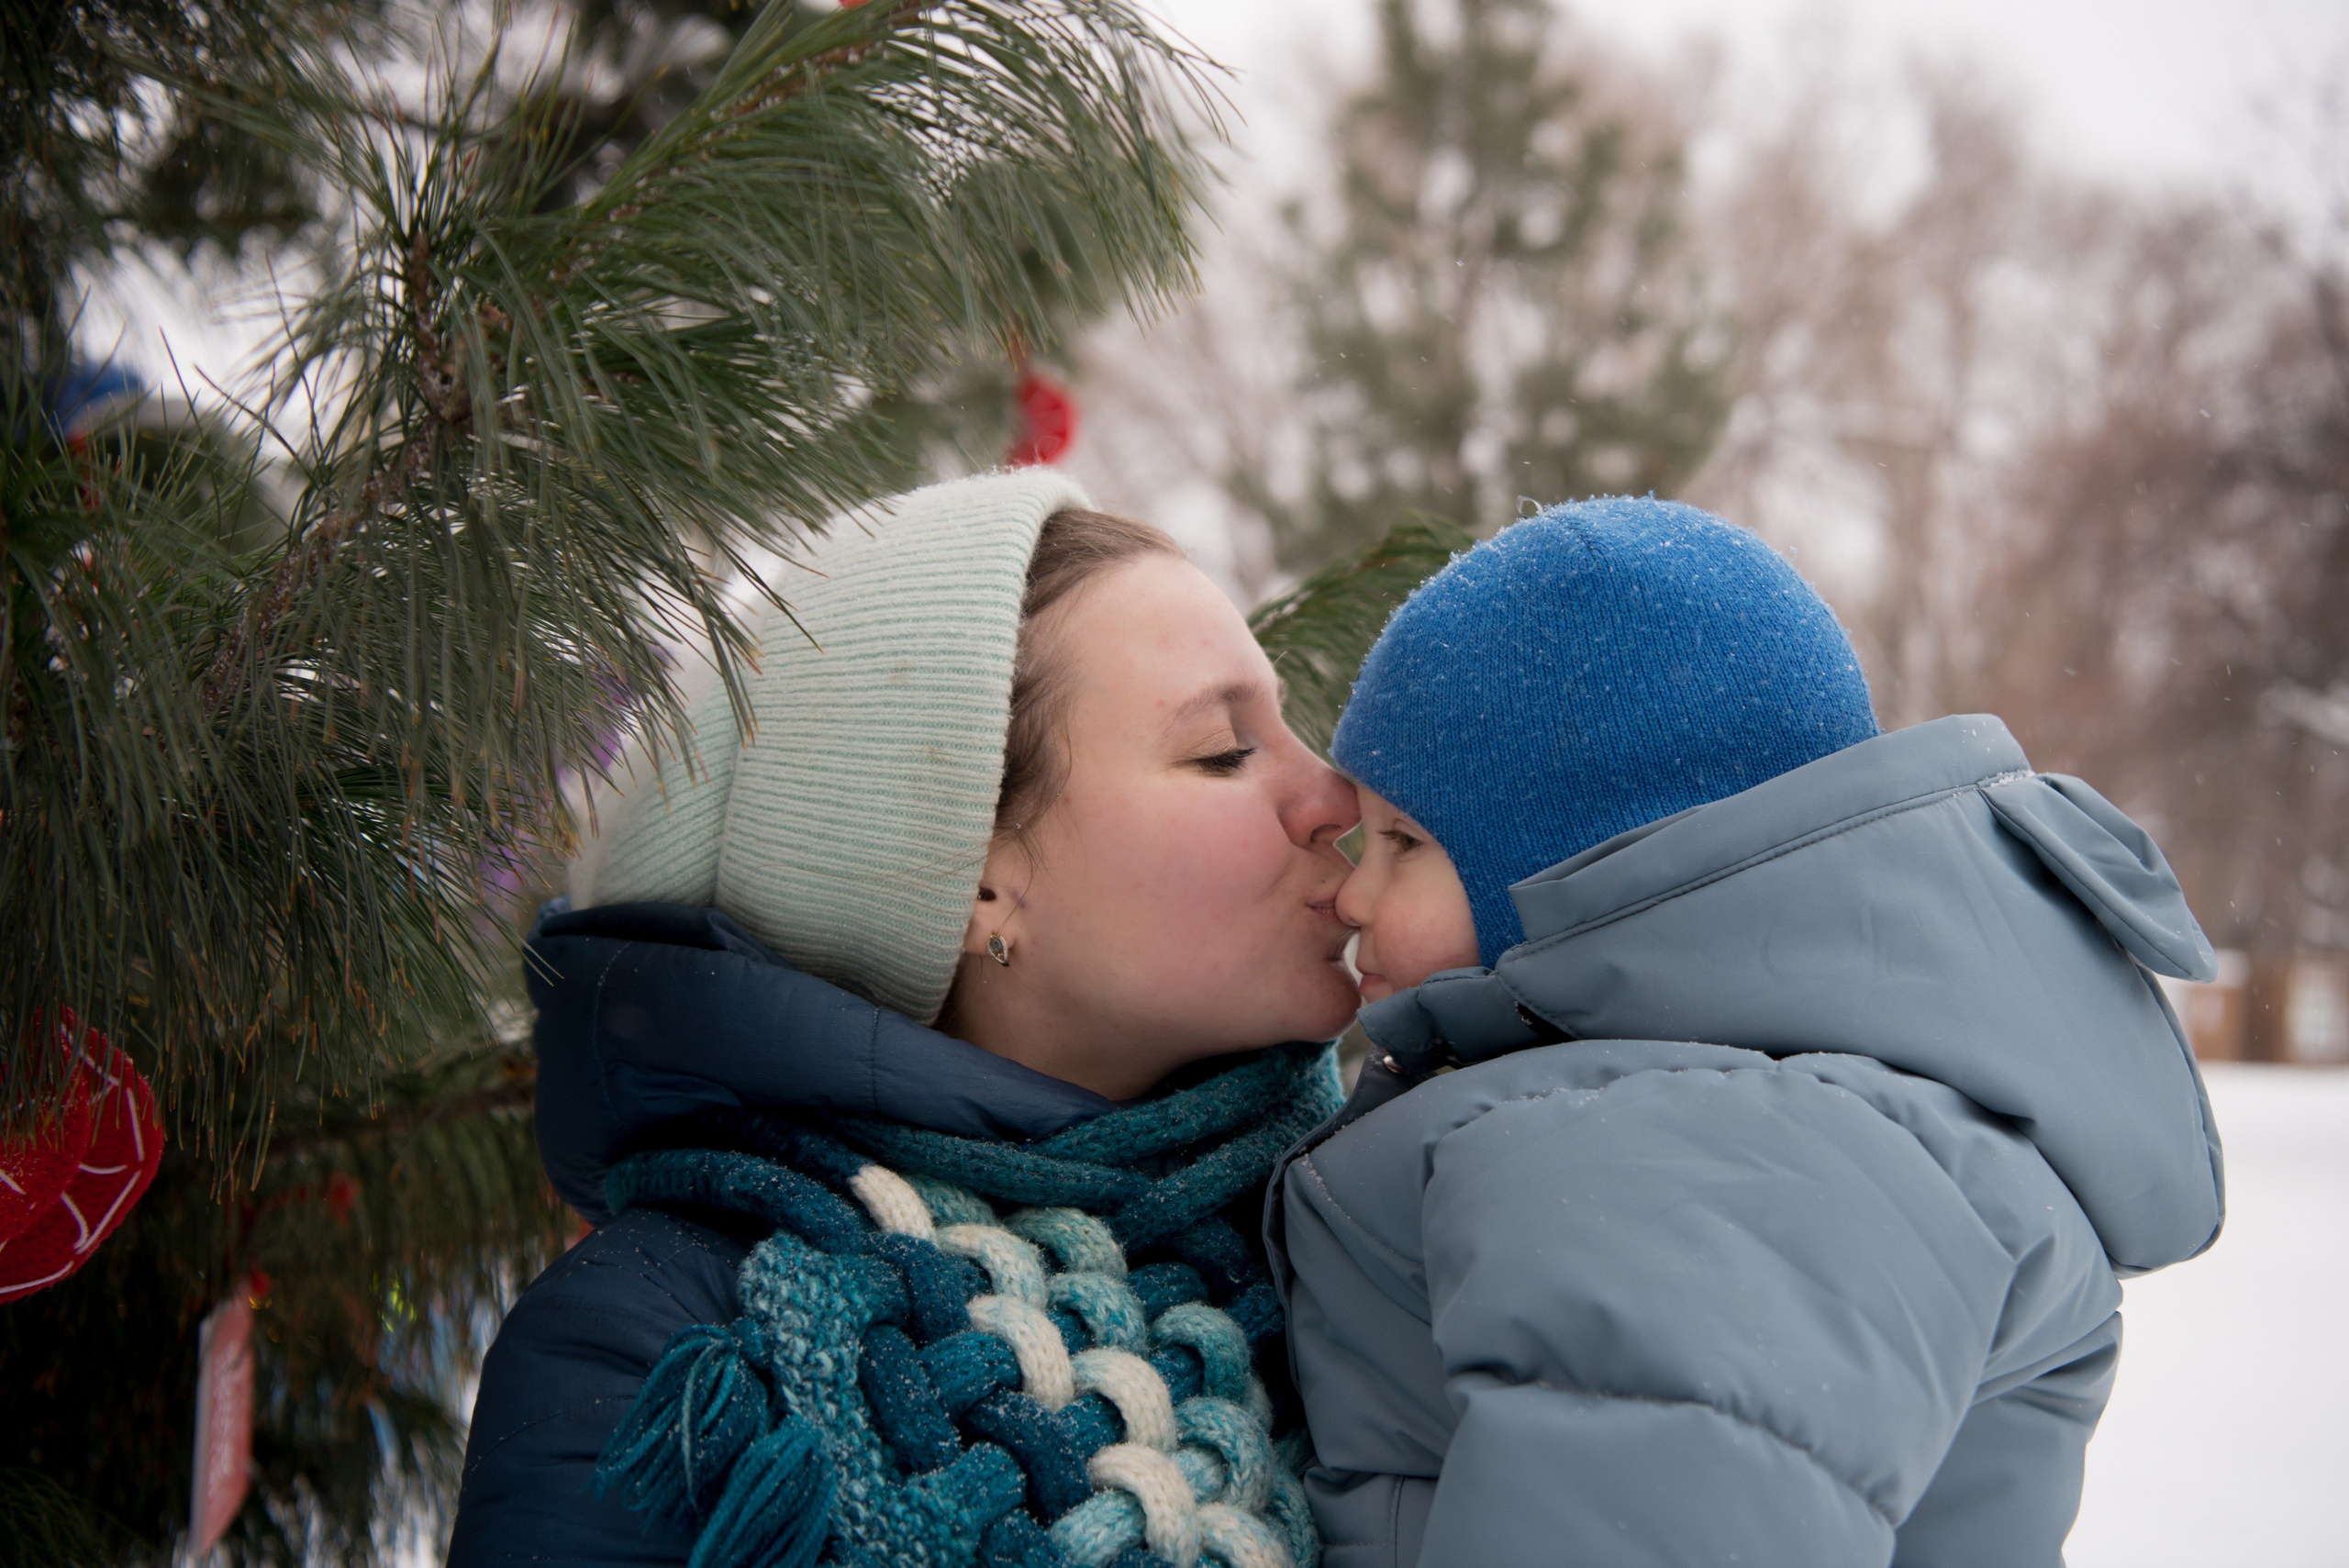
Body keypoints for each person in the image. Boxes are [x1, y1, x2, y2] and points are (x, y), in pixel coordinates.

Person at [1272, 496, 2226, 1567]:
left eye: (1404, 840)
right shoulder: (1750, 1117)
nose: (1353, 896)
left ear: (1590, 871)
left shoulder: (1697, 1166)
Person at [448, 470, 1361, 1568]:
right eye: (1222, 750)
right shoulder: (667, 1349)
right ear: (976, 879)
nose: (1334, 793)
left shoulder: (1380, 1230)